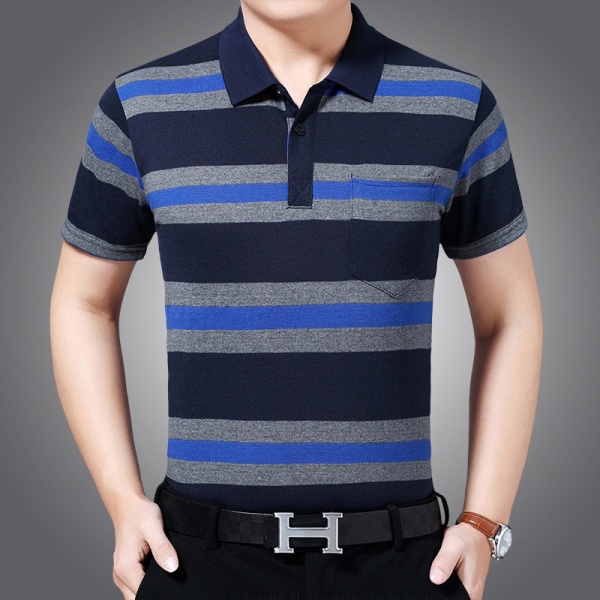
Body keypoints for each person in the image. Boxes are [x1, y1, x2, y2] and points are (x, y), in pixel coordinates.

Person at [49, 1, 542, 599]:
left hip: (405, 564)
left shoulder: (457, 106)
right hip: (197, 562)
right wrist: (121, 499)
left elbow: (508, 317)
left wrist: (484, 521)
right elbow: (84, 303)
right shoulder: (138, 106)